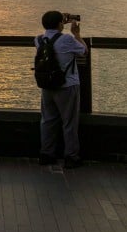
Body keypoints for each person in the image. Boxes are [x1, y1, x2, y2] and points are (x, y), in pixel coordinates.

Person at [36, 11, 88, 168]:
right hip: (67, 86)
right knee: (69, 123)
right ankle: (71, 157)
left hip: (47, 85)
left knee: (48, 120)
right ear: (60, 24)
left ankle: (46, 154)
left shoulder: (38, 39)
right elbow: (84, 51)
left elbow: (53, 37)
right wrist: (76, 34)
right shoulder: (67, 39)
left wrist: (58, 24)